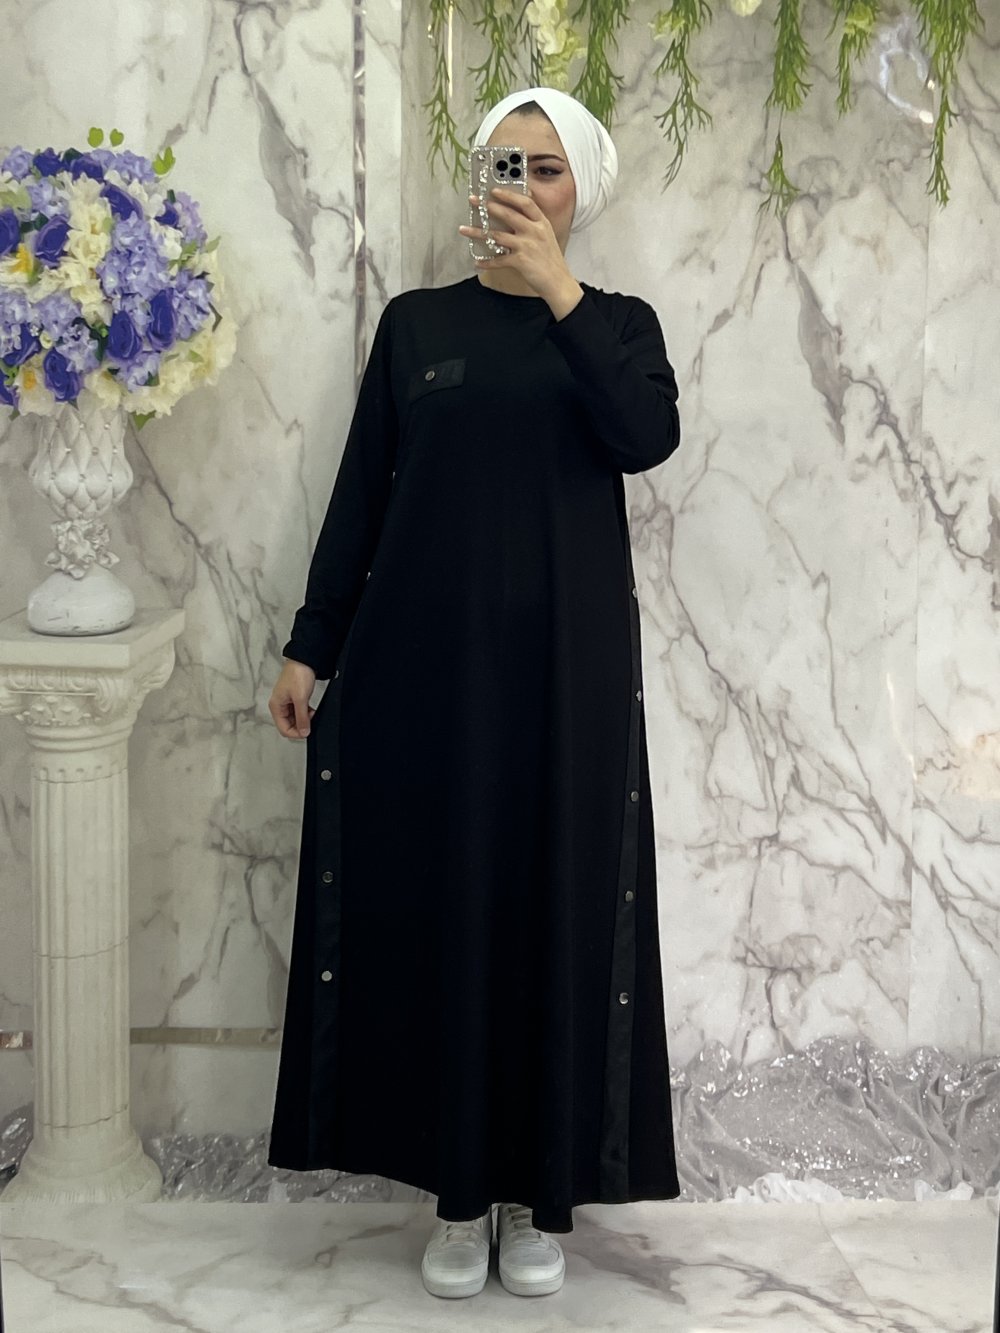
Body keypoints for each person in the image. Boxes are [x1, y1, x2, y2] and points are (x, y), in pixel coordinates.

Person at [265, 85, 682, 1300]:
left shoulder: (618, 325)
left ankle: (533, 1196)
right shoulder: (415, 325)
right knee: (440, 911)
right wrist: (310, 643)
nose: (525, 186)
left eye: (548, 168)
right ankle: (455, 1195)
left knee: (552, 911)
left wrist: (559, 293)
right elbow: (363, 493)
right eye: (506, 163)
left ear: (582, 188)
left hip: (566, 681)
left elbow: (643, 439)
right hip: (423, 676)